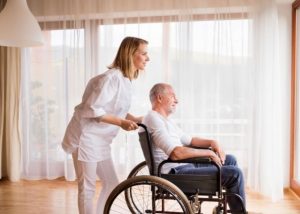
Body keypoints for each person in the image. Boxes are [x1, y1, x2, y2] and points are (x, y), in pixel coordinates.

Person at [62, 36, 150, 214]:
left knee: (111, 183)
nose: (148, 58)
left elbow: (116, 108)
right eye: (144, 53)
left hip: (100, 140)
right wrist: (121, 123)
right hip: (86, 138)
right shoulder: (110, 78)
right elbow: (93, 109)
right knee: (87, 188)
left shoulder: (125, 80)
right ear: (130, 54)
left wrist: (137, 118)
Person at [142, 83, 246, 213]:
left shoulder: (165, 120)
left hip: (183, 166)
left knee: (230, 160)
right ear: (159, 98)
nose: (177, 100)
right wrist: (208, 153)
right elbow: (176, 153)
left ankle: (232, 209)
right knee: (235, 174)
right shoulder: (153, 119)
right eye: (172, 96)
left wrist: (212, 142)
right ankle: (240, 212)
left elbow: (190, 140)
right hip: (174, 174)